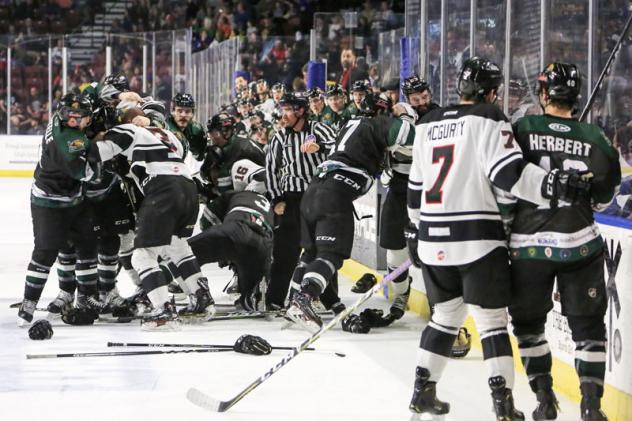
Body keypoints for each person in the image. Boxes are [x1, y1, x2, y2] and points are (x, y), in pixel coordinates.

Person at [405, 57, 591, 419]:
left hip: (432, 239)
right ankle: (503, 404)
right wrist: (552, 185)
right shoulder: (489, 118)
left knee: (444, 317)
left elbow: (415, 188)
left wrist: (414, 229)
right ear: (491, 92)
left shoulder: (426, 124)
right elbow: (509, 176)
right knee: (491, 323)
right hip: (478, 240)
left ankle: (421, 392)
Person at [507, 63, 621, 421]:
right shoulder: (596, 136)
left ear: (543, 94)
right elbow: (605, 197)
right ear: (576, 96)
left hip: (528, 248)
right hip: (581, 246)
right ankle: (591, 406)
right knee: (588, 330)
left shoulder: (520, 128)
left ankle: (544, 400)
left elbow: (503, 180)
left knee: (528, 327)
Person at [286, 92, 416, 333]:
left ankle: (293, 297)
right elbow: (409, 136)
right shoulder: (378, 123)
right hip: (335, 194)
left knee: (311, 252)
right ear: (381, 111)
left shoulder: (349, 123)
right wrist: (405, 115)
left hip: (313, 190)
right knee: (331, 255)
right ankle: (303, 299)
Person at [90, 108, 215, 330]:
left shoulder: (129, 129)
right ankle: (201, 299)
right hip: (187, 187)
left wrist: (92, 139)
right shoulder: (164, 133)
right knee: (178, 246)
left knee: (141, 256)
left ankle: (163, 310)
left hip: (162, 189)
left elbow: (97, 152)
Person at [17, 93, 101, 327]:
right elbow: (89, 174)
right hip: (50, 202)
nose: (74, 120)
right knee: (46, 251)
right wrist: (95, 152)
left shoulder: (59, 118)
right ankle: (29, 303)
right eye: (71, 116)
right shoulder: (68, 143)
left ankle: (83, 298)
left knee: (86, 244)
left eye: (79, 116)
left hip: (72, 198)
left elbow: (86, 98)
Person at [264, 92, 338, 311]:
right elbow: (270, 168)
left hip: (318, 198)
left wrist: (322, 148)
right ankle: (275, 299)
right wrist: (276, 198)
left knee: (322, 249)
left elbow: (341, 150)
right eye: (283, 109)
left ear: (300, 111)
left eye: (288, 110)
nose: (283, 115)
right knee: (285, 252)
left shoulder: (319, 130)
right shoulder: (280, 137)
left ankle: (327, 299)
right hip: (291, 200)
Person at [188, 159, 273, 311]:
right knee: (248, 295)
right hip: (263, 245)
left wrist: (222, 253)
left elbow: (206, 222)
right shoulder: (277, 202)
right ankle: (253, 294)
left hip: (236, 230)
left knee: (183, 254)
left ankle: (188, 292)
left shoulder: (235, 194)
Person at [166, 93, 207, 162]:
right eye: (179, 111)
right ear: (172, 111)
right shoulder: (165, 129)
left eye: (187, 111)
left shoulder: (198, 130)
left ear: (193, 113)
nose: (183, 115)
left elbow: (201, 157)